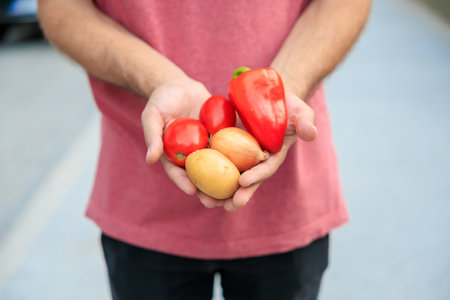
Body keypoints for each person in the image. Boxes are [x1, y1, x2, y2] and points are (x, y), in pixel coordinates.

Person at [38, 1, 371, 299]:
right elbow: (61, 8)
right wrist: (157, 79)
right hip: (141, 199)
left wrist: (284, 88)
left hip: (288, 200)